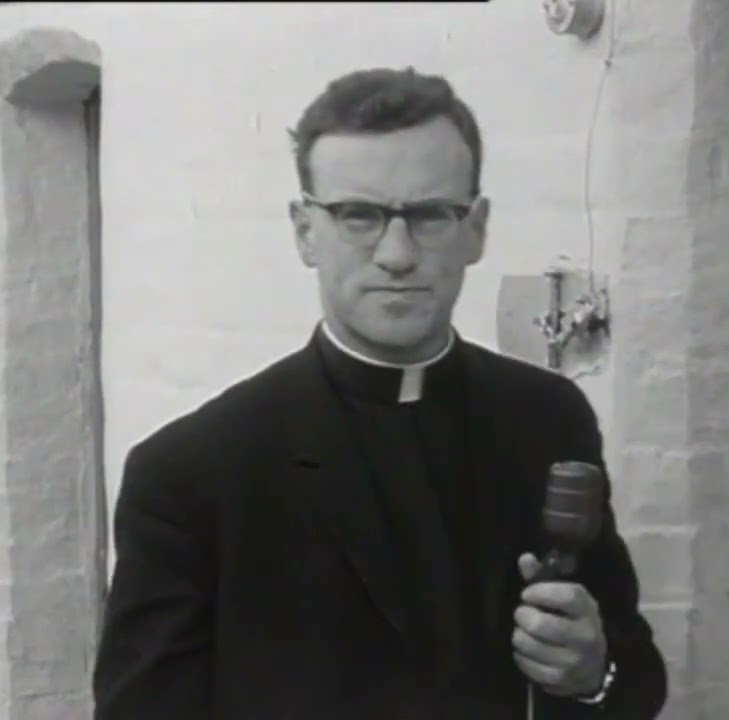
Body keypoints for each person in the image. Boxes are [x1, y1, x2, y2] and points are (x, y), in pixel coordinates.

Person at [93, 67, 668, 720]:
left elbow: (636, 679)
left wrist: (594, 671)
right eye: (358, 216)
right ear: (305, 230)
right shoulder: (192, 473)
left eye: (429, 215)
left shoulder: (546, 419)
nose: (397, 254)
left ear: (476, 228)